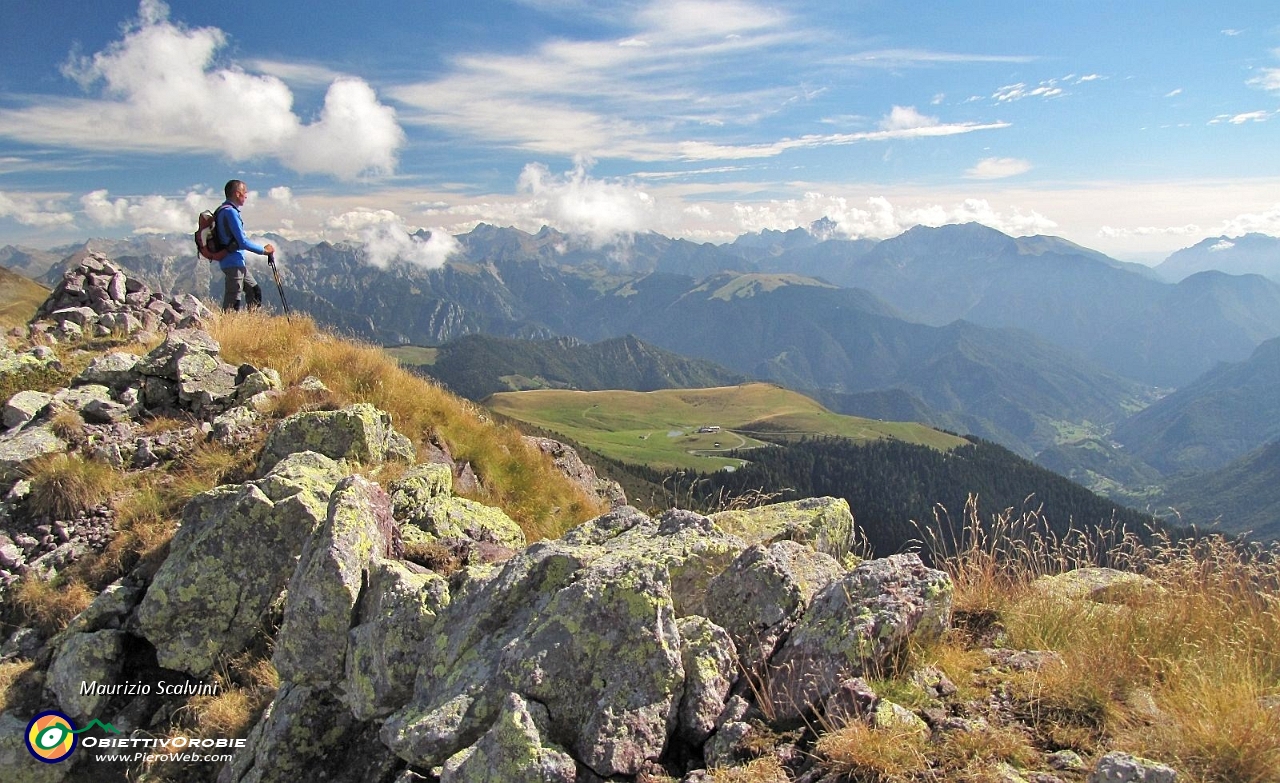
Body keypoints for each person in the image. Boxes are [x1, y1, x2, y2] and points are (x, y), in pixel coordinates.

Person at [215, 179, 273, 311]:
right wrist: (264, 251)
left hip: (233, 262)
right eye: (244, 192)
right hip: (232, 262)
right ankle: (228, 328)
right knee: (233, 300)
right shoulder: (230, 212)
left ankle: (252, 326)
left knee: (254, 290)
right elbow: (242, 242)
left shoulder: (222, 210)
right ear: (237, 194)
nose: (246, 196)